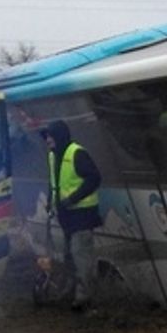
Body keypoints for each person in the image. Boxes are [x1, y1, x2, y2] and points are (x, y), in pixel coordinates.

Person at [42, 120, 102, 311]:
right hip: (66, 217)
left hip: (82, 216)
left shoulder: (77, 153)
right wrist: (51, 203)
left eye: (50, 136)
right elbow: (54, 184)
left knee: (81, 257)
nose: (47, 140)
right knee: (69, 257)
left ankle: (86, 301)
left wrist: (73, 199)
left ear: (59, 135)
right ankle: (72, 294)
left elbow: (94, 178)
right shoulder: (53, 156)